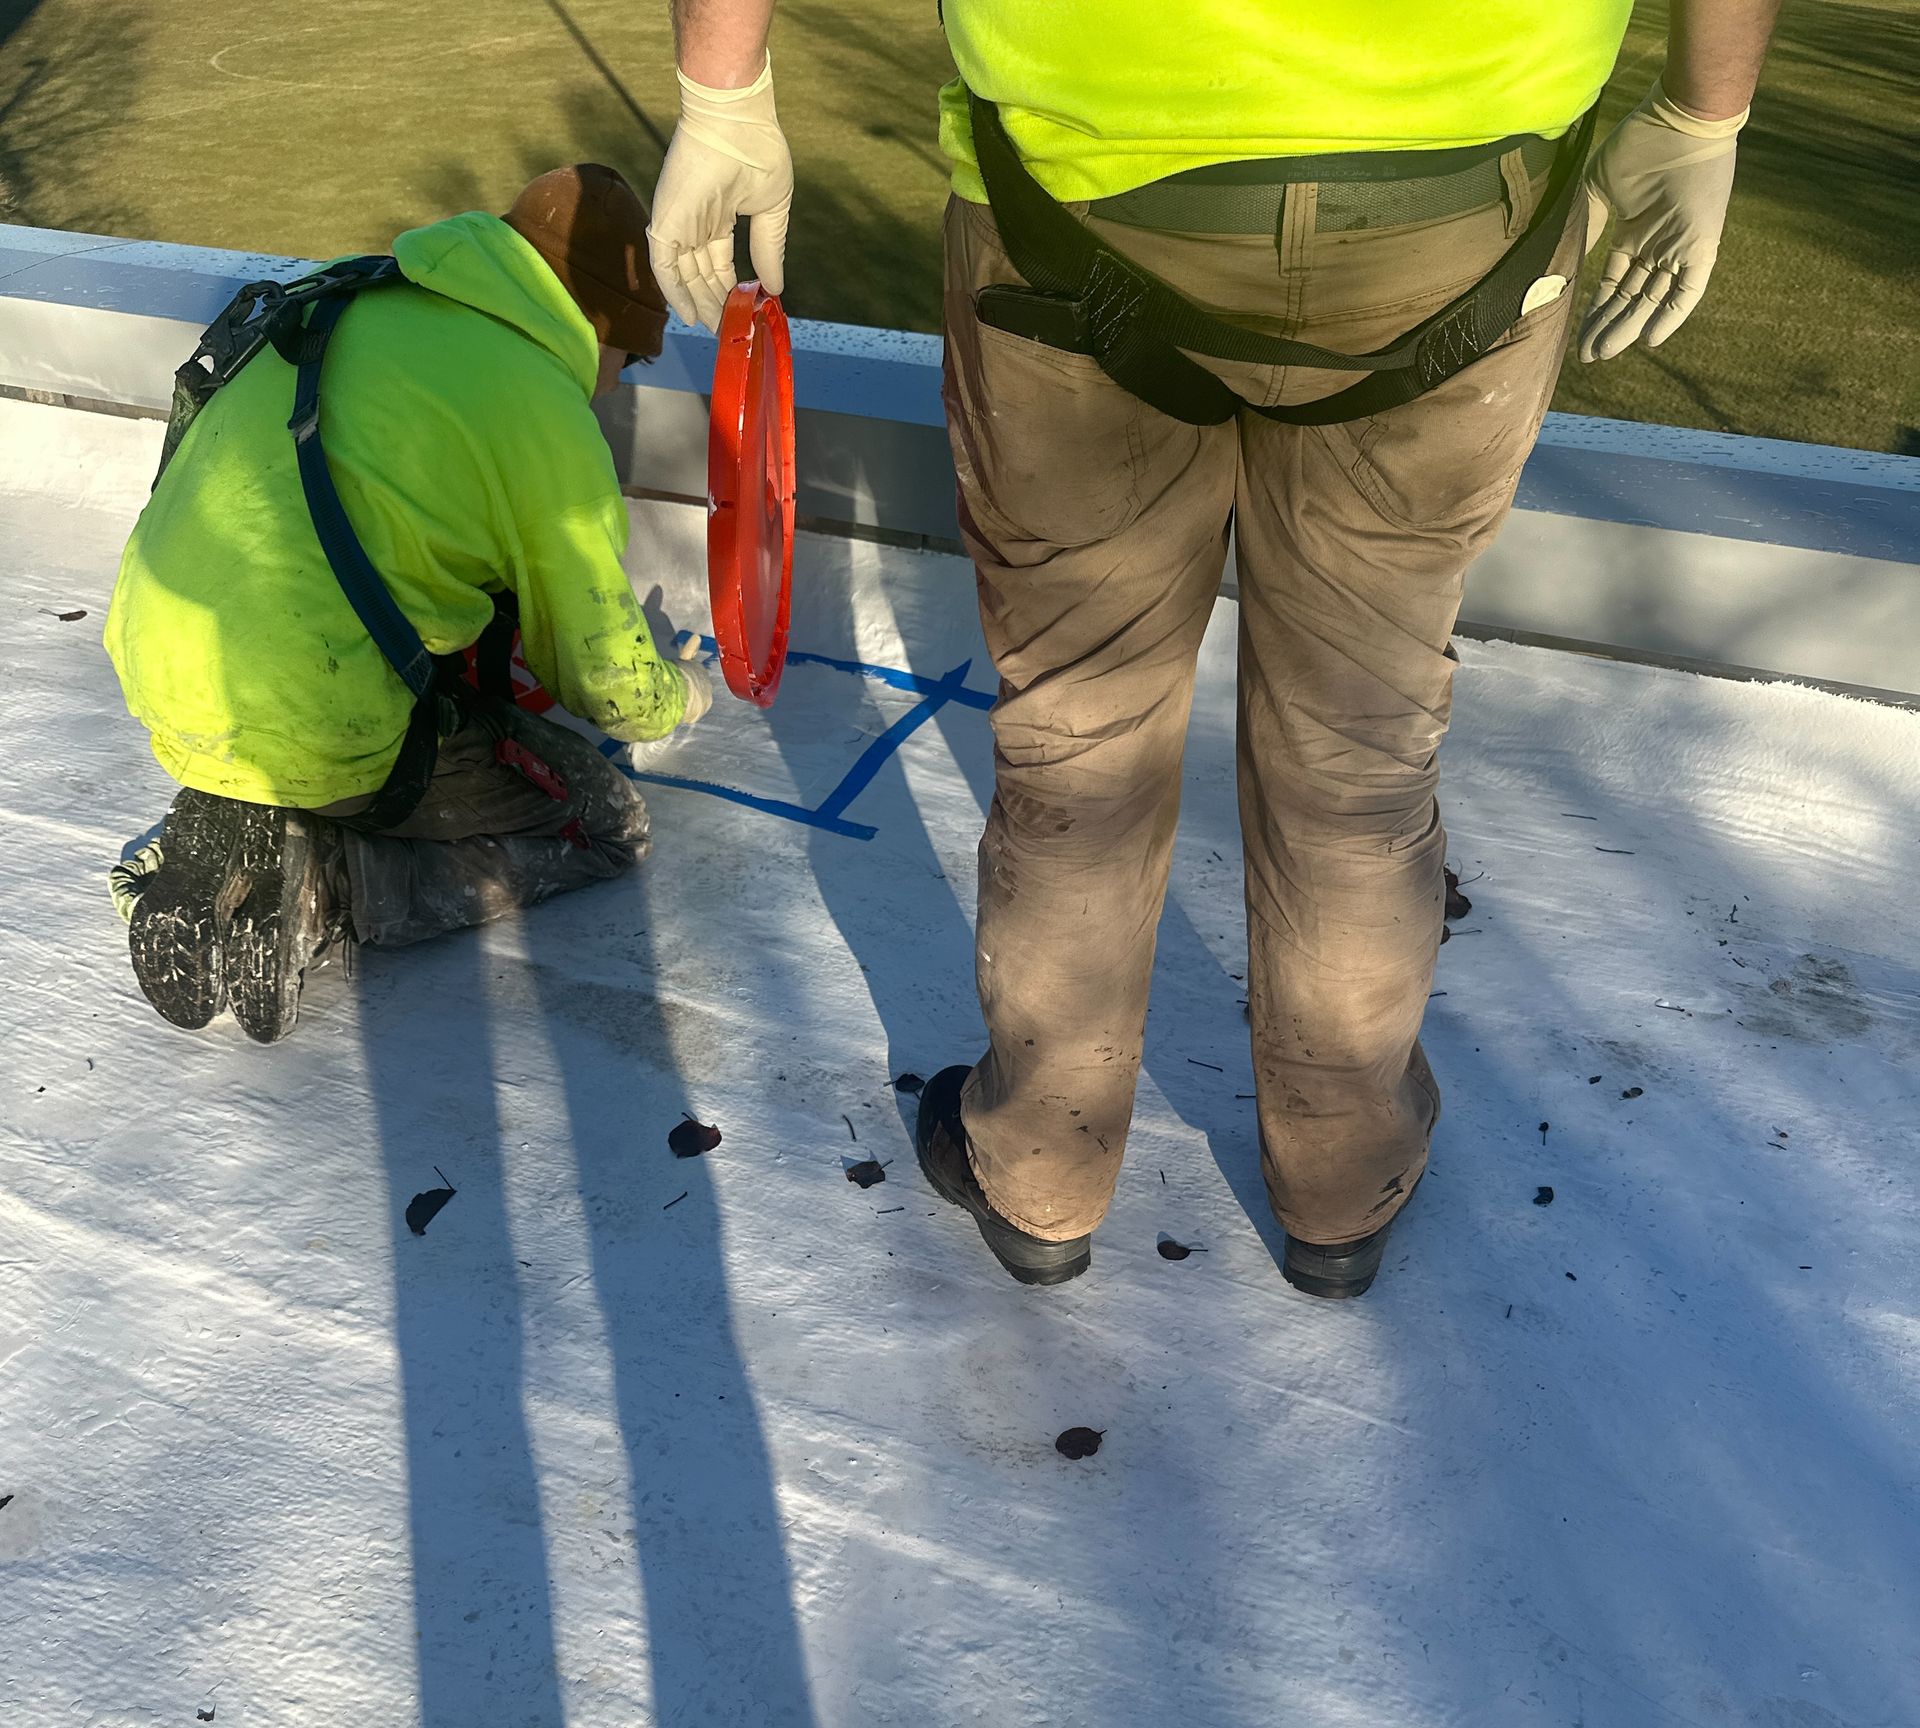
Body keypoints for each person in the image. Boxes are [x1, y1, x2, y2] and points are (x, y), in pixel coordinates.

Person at [649, 0, 1779, 1295]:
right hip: (1462, 216)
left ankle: (1042, 1179)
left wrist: (724, 91)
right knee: (1357, 758)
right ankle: (1341, 1190)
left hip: (1074, 201)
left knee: (1080, 740)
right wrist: (1703, 113)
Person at [106, 164, 710, 1043]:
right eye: (630, 355)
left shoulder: (348, 291)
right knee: (606, 824)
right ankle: (331, 883)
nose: (614, 383)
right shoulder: (542, 408)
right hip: (313, 711)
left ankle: (221, 818)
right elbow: (607, 684)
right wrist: (682, 693)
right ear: (598, 320)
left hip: (161, 665)